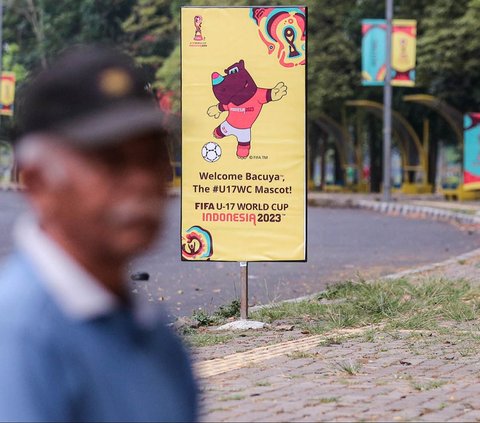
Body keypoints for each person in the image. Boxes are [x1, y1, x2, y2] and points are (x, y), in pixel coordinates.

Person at [0, 45, 197, 422]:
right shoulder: (20, 338)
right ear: (38, 182)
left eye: (154, 157)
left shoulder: (156, 335)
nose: (142, 181)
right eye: (111, 161)